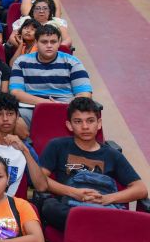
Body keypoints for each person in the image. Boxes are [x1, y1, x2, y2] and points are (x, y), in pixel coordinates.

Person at [39, 97, 148, 229]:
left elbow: (141, 189)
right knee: (49, 207)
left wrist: (107, 199)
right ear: (69, 125)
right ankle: (96, 226)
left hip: (101, 207)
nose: (85, 127)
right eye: (78, 121)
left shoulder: (112, 155)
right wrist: (73, 192)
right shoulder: (57, 146)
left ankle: (92, 225)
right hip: (70, 207)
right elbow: (40, 180)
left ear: (99, 123)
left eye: (90, 121)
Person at [10, 25, 92, 125]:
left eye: (53, 42)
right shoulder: (21, 62)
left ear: (59, 43)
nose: (49, 45)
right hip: (31, 109)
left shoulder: (73, 62)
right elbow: (16, 92)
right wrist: (48, 104)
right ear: (36, 42)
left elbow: (84, 95)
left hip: (66, 109)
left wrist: (63, 106)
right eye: (44, 42)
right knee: (14, 120)